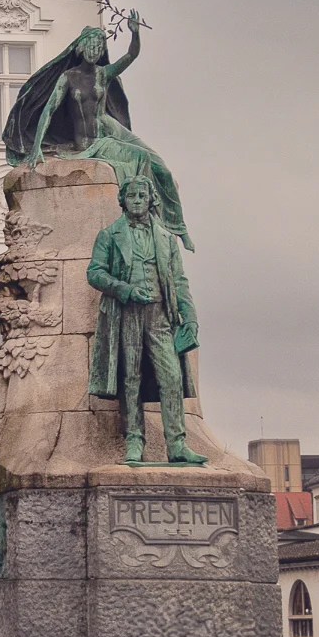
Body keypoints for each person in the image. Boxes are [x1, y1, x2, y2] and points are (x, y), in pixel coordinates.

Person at [2, 14, 193, 250]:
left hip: (111, 129)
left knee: (161, 166)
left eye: (99, 46)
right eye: (91, 45)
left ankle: (178, 227)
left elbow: (131, 56)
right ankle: (144, 220)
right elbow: (49, 110)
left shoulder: (103, 74)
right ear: (81, 48)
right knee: (140, 158)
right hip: (92, 142)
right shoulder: (68, 77)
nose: (95, 50)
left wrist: (135, 33)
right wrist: (36, 148)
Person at [86, 174, 204, 466]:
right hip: (127, 314)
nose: (137, 201)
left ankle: (177, 444)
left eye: (142, 196)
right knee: (131, 377)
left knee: (172, 377)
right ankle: (135, 441)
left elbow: (179, 280)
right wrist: (124, 289)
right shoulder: (109, 234)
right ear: (123, 201)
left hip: (161, 315)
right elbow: (95, 272)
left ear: (151, 199)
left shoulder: (166, 239)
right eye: (131, 196)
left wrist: (190, 317)